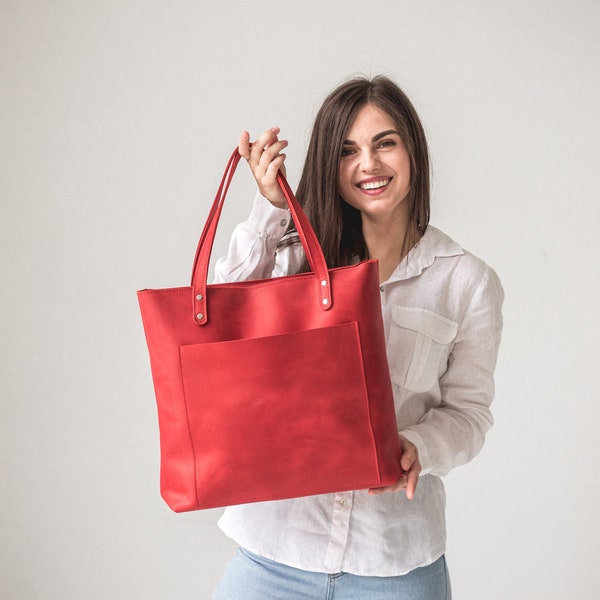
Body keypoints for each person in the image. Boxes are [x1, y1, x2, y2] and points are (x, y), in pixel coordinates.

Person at [211, 75, 503, 600]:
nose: (368, 164)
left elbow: (470, 413)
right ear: (331, 166)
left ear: (413, 150)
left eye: (384, 143)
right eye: (347, 151)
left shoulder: (466, 281)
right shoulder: (296, 257)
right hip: (272, 552)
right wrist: (275, 208)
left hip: (396, 562)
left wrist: (419, 446)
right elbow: (222, 311)